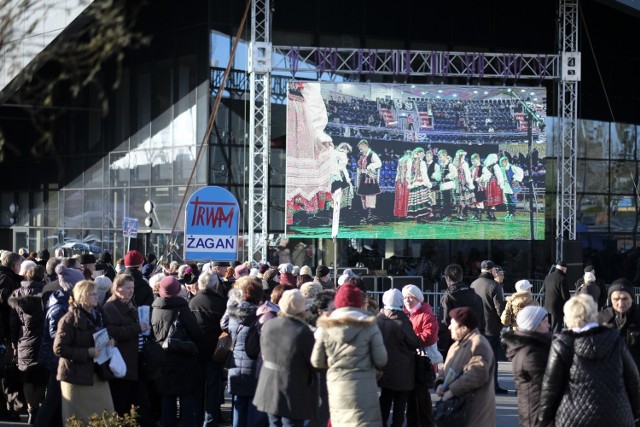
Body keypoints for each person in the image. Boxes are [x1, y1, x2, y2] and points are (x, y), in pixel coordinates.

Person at [537, 294, 640, 426]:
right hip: (616, 415)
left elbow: (550, 388)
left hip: (573, 417)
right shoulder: (615, 340)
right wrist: (636, 414)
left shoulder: (562, 344)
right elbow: (633, 381)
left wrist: (543, 421)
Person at [311, 282, 387, 426]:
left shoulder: (327, 326)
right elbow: (381, 359)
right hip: (365, 385)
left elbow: (316, 361)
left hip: (337, 387)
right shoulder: (369, 325)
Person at [53, 280, 115, 424]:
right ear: (82, 296)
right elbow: (59, 348)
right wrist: (87, 352)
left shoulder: (99, 314)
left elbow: (107, 333)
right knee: (79, 419)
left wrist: (111, 341)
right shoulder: (68, 319)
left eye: (96, 293)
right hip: (76, 377)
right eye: (92, 294)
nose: (96, 296)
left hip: (98, 374)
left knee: (106, 416)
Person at [253, 290, 317, 426]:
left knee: (274, 423)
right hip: (293, 388)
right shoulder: (302, 331)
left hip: (269, 384)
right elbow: (313, 362)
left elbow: (264, 351)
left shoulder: (269, 325)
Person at [35, 263, 84, 427]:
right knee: (53, 399)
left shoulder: (64, 301)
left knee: (57, 400)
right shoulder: (59, 306)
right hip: (57, 359)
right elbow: (55, 335)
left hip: (59, 358)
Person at [151, 275, 202, 427]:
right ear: (178, 290)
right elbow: (196, 334)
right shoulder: (183, 309)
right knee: (187, 400)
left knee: (167, 400)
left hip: (162, 361)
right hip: (184, 361)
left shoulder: (153, 309)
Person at [435, 307, 496, 426]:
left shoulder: (478, 343)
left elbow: (478, 373)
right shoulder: (457, 344)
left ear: (464, 327)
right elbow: (446, 367)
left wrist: (453, 390)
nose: (449, 327)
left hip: (473, 413)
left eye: (452, 324)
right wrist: (440, 382)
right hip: (457, 410)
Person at [102, 274, 151, 422]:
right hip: (122, 363)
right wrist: (136, 328)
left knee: (140, 404)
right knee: (121, 404)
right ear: (117, 289)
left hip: (134, 361)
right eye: (128, 288)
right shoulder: (110, 307)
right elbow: (112, 332)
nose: (131, 291)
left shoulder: (130, 304)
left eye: (133, 288)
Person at [223, 276, 268, 427]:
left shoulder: (233, 313)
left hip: (235, 367)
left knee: (238, 405)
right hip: (254, 368)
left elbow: (224, 324)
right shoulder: (261, 315)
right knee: (253, 410)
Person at [8, 264, 47, 423]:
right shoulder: (46, 294)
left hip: (24, 339)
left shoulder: (17, 294)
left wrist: (14, 343)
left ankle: (31, 409)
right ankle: (36, 408)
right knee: (41, 377)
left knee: (27, 377)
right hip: (43, 340)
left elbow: (13, 323)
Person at [501, 306, 552, 427]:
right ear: (534, 325)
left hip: (536, 409)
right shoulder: (530, 353)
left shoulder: (531, 346)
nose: (549, 326)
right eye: (545, 322)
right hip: (537, 412)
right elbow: (549, 383)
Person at [188, 270, 227, 427]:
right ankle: (209, 422)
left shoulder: (192, 302)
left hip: (195, 351)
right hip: (214, 352)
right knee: (212, 389)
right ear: (216, 285)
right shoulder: (220, 303)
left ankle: (197, 419)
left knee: (197, 389)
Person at [377, 288, 420, 427]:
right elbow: (413, 342)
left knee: (385, 399)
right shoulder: (402, 321)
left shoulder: (378, 319)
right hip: (402, 370)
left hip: (384, 368)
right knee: (399, 406)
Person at [401, 284, 438, 426]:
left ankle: (426, 423)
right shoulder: (405, 314)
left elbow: (430, 336)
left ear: (418, 298)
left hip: (422, 360)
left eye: (411, 297)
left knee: (421, 395)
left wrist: (410, 340)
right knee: (411, 395)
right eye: (405, 298)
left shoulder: (426, 314)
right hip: (410, 359)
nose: (408, 300)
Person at [470, 260, 507, 393]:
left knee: (479, 357)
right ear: (492, 270)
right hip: (491, 327)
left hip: (477, 328)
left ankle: (479, 383)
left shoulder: (473, 284)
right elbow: (499, 309)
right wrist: (504, 322)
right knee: (492, 358)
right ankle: (493, 385)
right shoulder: (494, 285)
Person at [438, 263, 485, 355]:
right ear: (461, 277)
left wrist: (442, 347)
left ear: (448, 278)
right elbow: (482, 321)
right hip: (474, 341)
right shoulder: (476, 296)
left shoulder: (448, 297)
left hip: (454, 344)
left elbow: (444, 322)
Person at [598, 278, 640, 368]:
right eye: (616, 299)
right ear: (610, 299)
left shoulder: (637, 317)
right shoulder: (601, 318)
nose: (620, 303)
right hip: (609, 373)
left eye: (624, 299)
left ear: (632, 298)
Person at [355, 139, 382, 223]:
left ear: (365, 146)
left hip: (370, 178)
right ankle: (365, 214)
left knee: (370, 196)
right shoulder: (363, 156)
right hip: (363, 177)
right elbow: (359, 168)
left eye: (361, 148)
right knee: (363, 196)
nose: (360, 150)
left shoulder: (372, 154)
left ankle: (370, 215)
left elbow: (379, 163)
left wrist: (371, 166)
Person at [406, 147, 434, 223]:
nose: (424, 155)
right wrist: (428, 184)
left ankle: (419, 217)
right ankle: (423, 217)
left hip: (414, 184)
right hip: (421, 183)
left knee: (416, 202)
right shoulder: (421, 162)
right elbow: (424, 174)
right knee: (423, 201)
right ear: (419, 153)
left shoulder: (410, 162)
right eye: (422, 153)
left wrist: (410, 183)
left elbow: (408, 175)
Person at [543, 261, 570, 334]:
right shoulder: (562, 279)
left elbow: (544, 291)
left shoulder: (547, 277)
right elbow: (565, 296)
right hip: (558, 308)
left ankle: (547, 342)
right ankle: (554, 343)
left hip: (547, 306)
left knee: (548, 327)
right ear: (563, 269)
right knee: (556, 328)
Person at [482, 153, 502, 221]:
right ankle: (492, 215)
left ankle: (489, 214)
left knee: (488, 199)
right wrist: (501, 184)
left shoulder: (486, 166)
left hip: (487, 183)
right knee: (493, 199)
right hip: (493, 183)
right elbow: (499, 175)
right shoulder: (495, 165)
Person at [393, 150, 412, 219]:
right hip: (405, 180)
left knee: (399, 197)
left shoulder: (400, 160)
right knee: (405, 197)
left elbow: (398, 170)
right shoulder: (409, 160)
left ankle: (399, 214)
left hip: (399, 180)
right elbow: (409, 171)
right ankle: (404, 214)